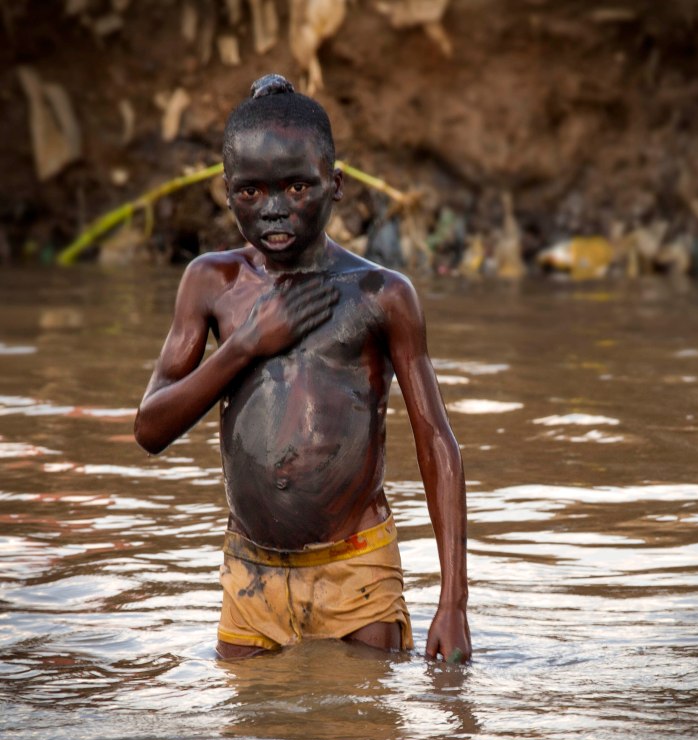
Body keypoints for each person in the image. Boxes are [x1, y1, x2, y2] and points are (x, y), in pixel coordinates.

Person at [134, 74, 471, 662]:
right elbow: (150, 429)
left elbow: (436, 440)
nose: (273, 210)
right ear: (227, 190)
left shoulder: (380, 294)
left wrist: (454, 603)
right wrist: (245, 346)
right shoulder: (212, 283)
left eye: (296, 187)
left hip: (357, 571)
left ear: (334, 185)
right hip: (250, 575)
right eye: (250, 192)